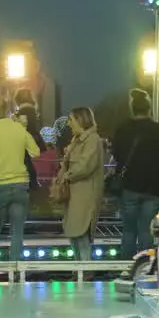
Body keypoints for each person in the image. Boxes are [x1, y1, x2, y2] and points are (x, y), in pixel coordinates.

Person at [112, 88, 159, 264]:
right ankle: (145, 265)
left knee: (129, 229)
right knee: (146, 229)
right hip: (153, 188)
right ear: (149, 109)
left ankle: (126, 266)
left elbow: (117, 156)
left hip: (130, 186)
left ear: (132, 108)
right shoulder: (158, 130)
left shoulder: (122, 130)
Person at [0, 93, 41, 263]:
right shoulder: (18, 128)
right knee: (17, 230)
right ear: (7, 109)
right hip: (20, 184)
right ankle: (15, 267)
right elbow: (36, 152)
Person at [55, 107, 106, 259]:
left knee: (81, 233)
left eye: (71, 120)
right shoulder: (77, 140)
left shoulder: (92, 140)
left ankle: (85, 269)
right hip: (75, 195)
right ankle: (79, 269)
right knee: (74, 233)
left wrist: (67, 175)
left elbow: (85, 165)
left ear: (80, 120)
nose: (69, 124)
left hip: (85, 195)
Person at [13, 88, 47, 185]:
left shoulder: (22, 112)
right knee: (27, 161)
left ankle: (32, 182)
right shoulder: (32, 110)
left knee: (25, 161)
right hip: (34, 137)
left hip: (25, 139)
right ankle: (33, 182)